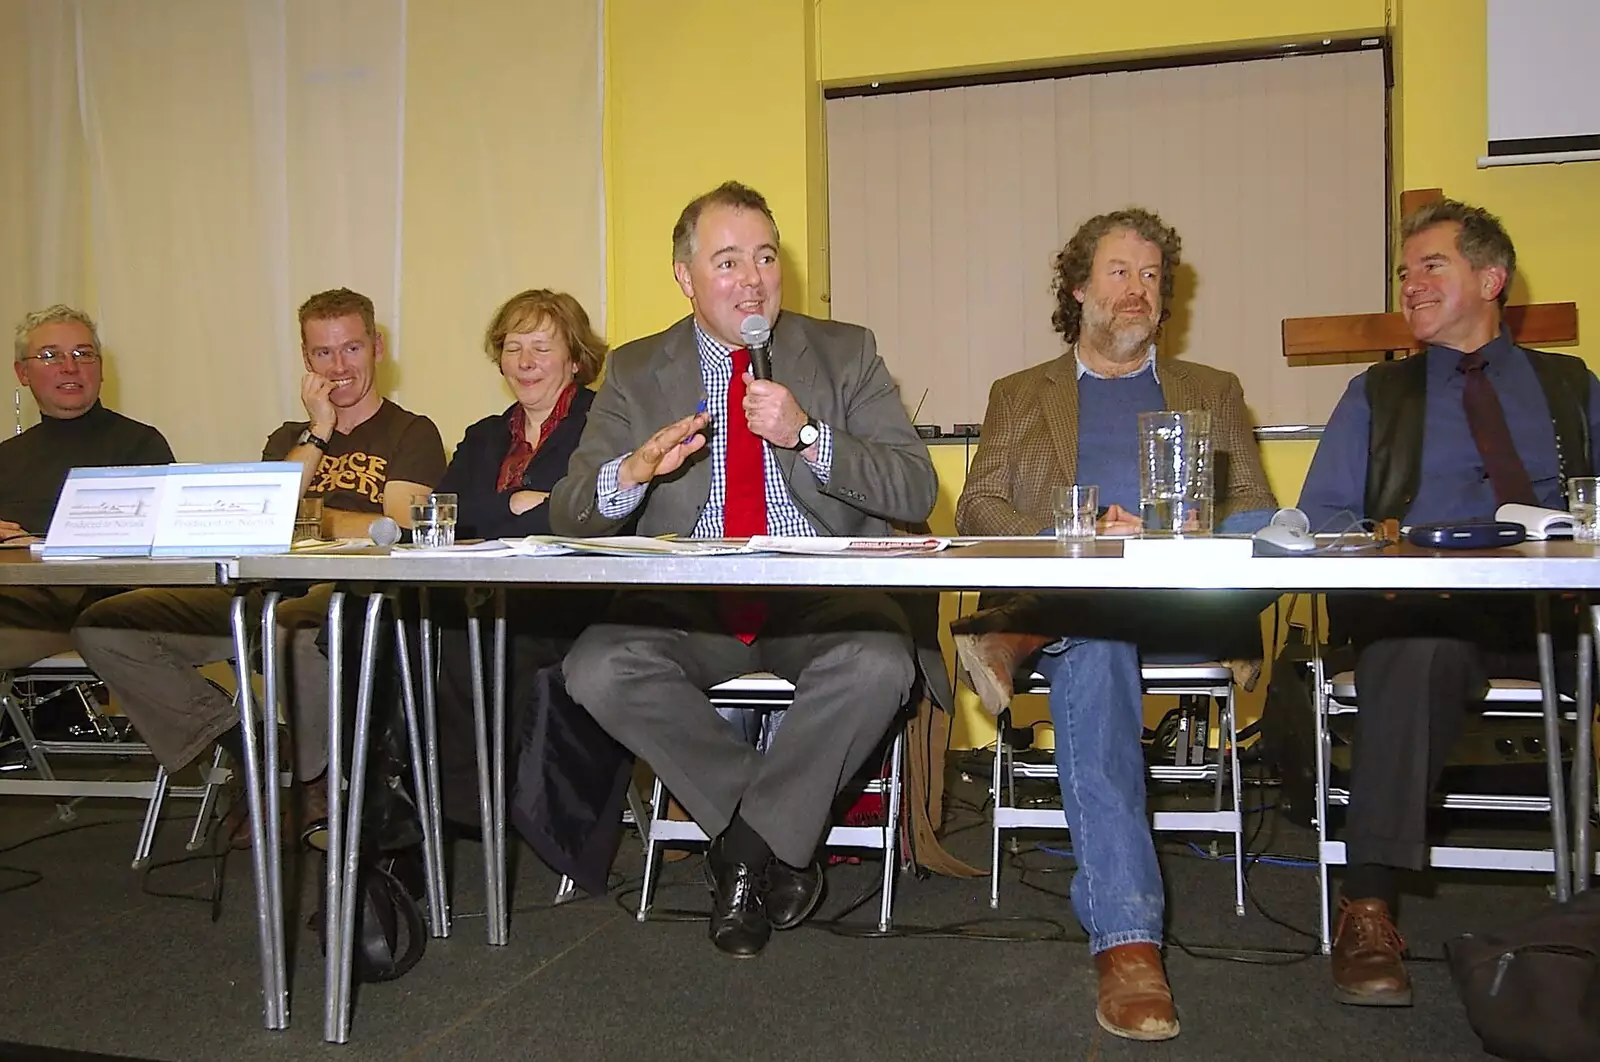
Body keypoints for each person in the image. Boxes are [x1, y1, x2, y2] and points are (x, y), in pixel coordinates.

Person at [551, 180, 945, 957]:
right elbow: (569, 511)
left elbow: (918, 486)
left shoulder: (844, 351)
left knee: (879, 662)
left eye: (765, 257)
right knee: (596, 665)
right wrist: (630, 474)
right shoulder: (635, 371)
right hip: (691, 607)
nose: (753, 278)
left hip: (818, 601)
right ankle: (764, 837)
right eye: (727, 261)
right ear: (684, 276)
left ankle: (740, 854)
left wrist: (809, 437)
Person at [951, 208, 1278, 1041]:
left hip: (1182, 604)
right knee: (1097, 646)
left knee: (1250, 544)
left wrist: (1172, 532)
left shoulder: (1212, 390)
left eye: (1152, 277)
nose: (1139, 291)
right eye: (1121, 273)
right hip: (1089, 607)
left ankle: (1024, 632)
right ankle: (1129, 945)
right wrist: (1078, 526)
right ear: (1077, 289)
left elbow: (1257, 517)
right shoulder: (1021, 394)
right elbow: (980, 506)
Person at [1297, 198, 1600, 1007]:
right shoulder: (1378, 393)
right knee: (1411, 653)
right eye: (1405, 273)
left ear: (1491, 278)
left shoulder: (1569, 386)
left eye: (1433, 266)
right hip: (1429, 605)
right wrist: (1386, 544)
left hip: (1565, 610)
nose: (1413, 284)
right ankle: (1365, 908)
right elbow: (1320, 517)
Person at [73, 288, 446, 845]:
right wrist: (318, 433)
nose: (339, 367)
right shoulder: (286, 439)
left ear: (377, 347)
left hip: (342, 593)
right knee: (105, 626)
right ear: (305, 358)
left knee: (293, 628)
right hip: (254, 587)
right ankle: (252, 748)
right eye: (323, 353)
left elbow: (394, 527)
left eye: (351, 349)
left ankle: (315, 780)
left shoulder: (411, 431)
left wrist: (301, 517)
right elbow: (259, 522)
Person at [426, 289, 616, 858]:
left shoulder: (600, 425)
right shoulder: (484, 434)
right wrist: (521, 505)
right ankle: (402, 798)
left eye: (541, 347)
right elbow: (446, 512)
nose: (525, 362)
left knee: (471, 641)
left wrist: (509, 508)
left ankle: (464, 814)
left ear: (575, 359)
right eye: (514, 348)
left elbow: (590, 516)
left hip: (569, 603)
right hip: (480, 595)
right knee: (388, 631)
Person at [0, 305, 174, 670]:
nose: (69, 367)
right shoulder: (7, 457)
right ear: (22, 373)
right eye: (50, 356)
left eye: (83, 354)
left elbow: (157, 549)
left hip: (96, 612)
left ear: (100, 368)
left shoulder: (140, 445)